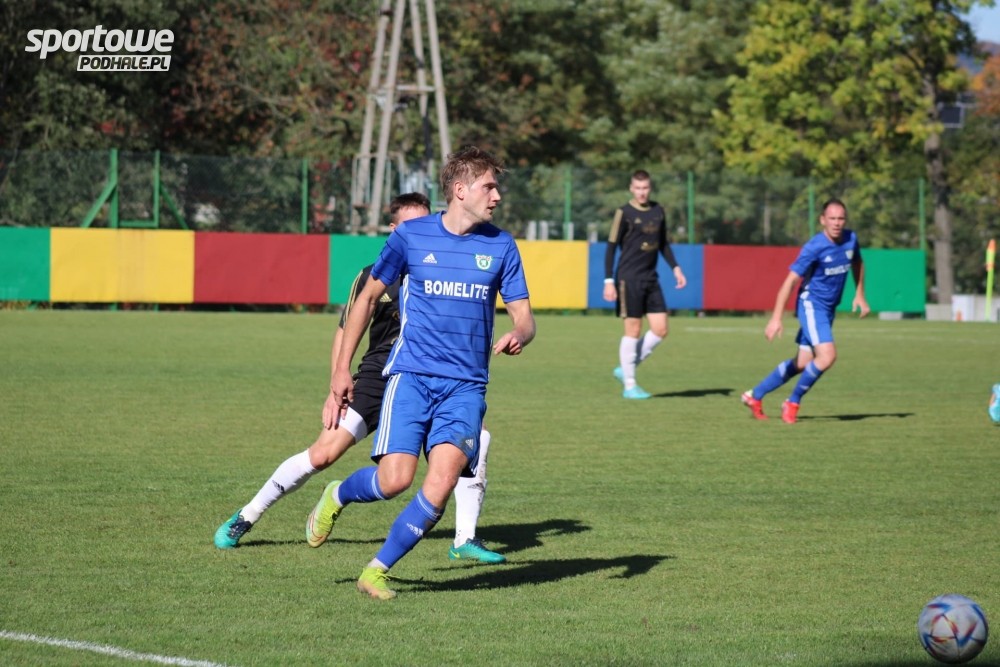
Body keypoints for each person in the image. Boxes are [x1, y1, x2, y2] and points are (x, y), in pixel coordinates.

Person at [214, 192, 505, 565]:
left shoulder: (448, 266)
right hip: (377, 379)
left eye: (425, 222)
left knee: (476, 440)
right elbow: (345, 330)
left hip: (430, 378)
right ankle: (247, 515)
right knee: (323, 454)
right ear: (394, 230)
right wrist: (335, 383)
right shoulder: (373, 275)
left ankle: (465, 538)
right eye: (411, 225)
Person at [312, 146, 535, 600]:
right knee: (395, 480)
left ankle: (376, 570)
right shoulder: (412, 236)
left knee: (443, 480)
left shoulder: (502, 245)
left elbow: (525, 318)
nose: (496, 196)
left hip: (466, 386)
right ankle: (338, 494)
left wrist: (520, 334)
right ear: (460, 190)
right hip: (410, 376)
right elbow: (367, 299)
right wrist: (340, 369)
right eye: (489, 186)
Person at [741, 198, 870, 424]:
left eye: (841, 218)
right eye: (832, 218)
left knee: (802, 362)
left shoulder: (851, 239)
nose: (837, 223)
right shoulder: (814, 246)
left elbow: (858, 263)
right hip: (812, 305)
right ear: (822, 220)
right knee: (827, 356)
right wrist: (776, 318)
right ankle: (792, 402)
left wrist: (859, 294)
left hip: (828, 309)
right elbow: (790, 281)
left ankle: (755, 395)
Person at [603, 169, 687, 399]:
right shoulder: (624, 213)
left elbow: (663, 244)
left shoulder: (658, 211)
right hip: (628, 278)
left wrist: (676, 268)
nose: (641, 192)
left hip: (651, 278)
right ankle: (630, 385)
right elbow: (611, 247)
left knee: (661, 329)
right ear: (631, 189)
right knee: (633, 329)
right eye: (638, 188)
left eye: (645, 188)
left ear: (650, 188)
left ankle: (625, 367)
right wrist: (608, 280)